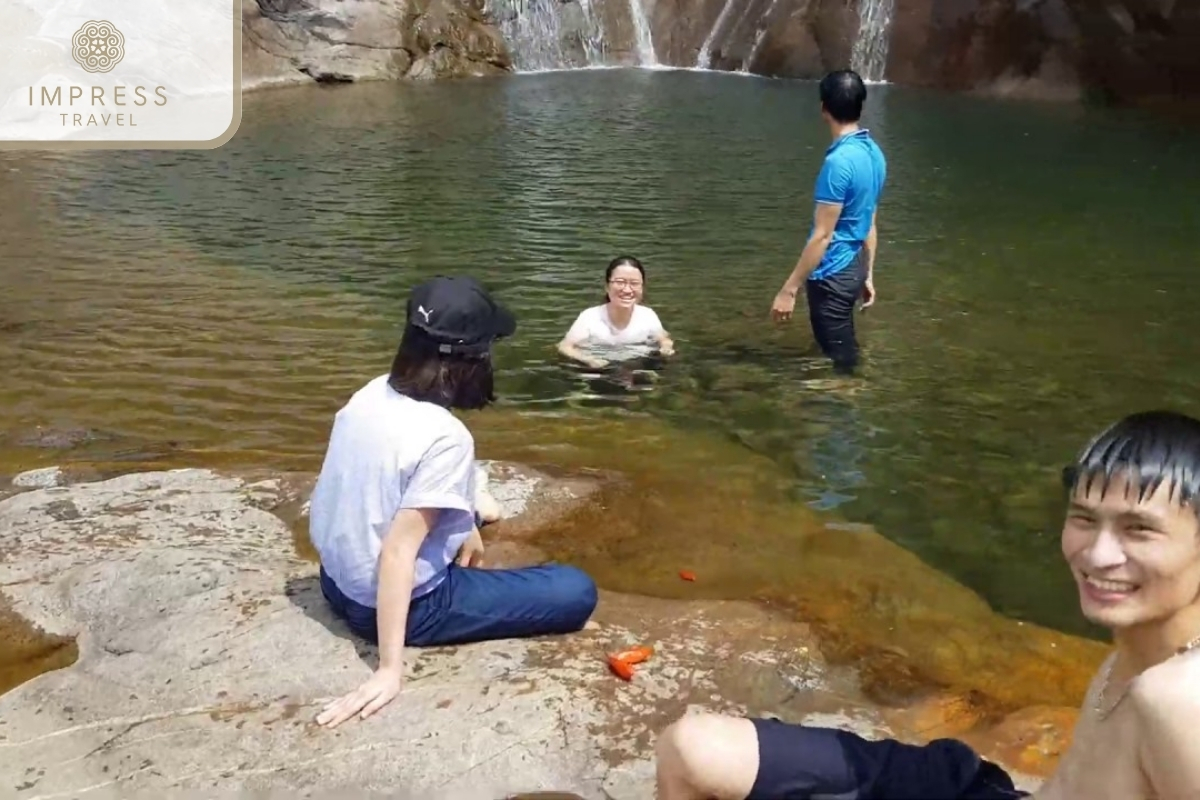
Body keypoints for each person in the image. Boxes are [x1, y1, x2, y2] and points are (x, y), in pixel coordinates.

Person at [654, 409, 1200, 799]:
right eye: (1084, 519)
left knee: (694, 755)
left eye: (1139, 531)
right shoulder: (1139, 642)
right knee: (695, 748)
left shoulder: (1178, 695)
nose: (1098, 554)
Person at [308, 275, 599, 729]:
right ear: (471, 359)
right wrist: (388, 670)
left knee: (461, 514)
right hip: (398, 606)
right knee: (574, 590)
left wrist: (463, 523)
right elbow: (398, 553)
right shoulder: (445, 437)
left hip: (334, 580)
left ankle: (467, 519)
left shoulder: (371, 392)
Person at [770, 69, 887, 374]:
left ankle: (847, 396)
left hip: (833, 273)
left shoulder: (838, 164)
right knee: (839, 344)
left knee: (842, 360)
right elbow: (870, 220)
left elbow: (823, 235)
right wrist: (868, 274)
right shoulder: (874, 153)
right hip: (855, 265)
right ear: (860, 106)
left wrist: (789, 289)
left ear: (824, 109)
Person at [557, 256, 675, 370]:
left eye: (634, 283)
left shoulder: (648, 315)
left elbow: (664, 339)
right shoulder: (590, 317)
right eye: (620, 282)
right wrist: (588, 360)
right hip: (598, 369)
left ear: (642, 288)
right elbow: (565, 346)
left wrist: (666, 348)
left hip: (637, 367)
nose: (627, 290)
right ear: (607, 286)